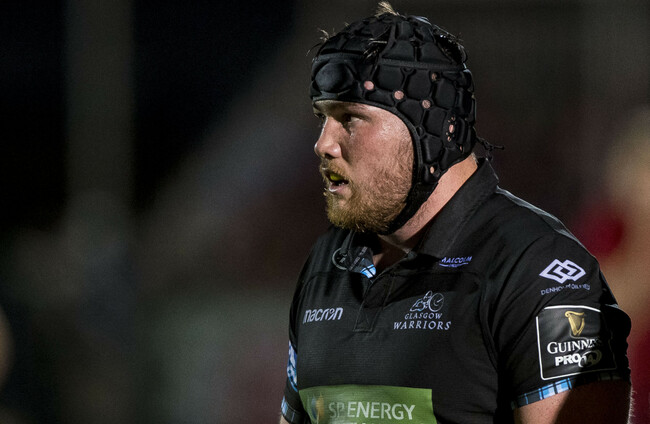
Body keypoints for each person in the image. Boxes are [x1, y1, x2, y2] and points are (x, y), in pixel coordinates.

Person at [279, 3, 632, 423]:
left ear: (430, 129)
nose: (323, 143)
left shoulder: (536, 270)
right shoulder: (327, 263)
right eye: (323, 117)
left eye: (350, 118)